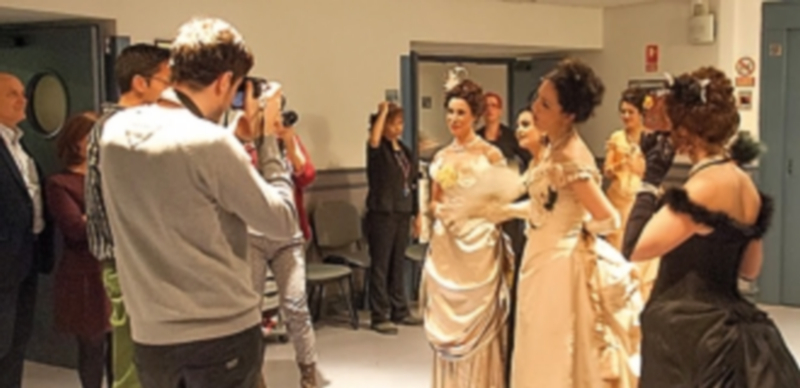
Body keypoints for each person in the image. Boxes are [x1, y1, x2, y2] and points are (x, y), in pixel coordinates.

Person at [98, 17, 298, 388]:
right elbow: (281, 220)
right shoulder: (211, 143)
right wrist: (267, 141)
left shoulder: (115, 132)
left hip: (151, 337)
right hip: (220, 335)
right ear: (224, 81)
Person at [623, 67, 800, 387]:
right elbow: (750, 269)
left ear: (684, 130)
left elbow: (634, 248)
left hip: (689, 329)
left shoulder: (703, 186)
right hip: (731, 323)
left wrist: (650, 181)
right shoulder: (745, 183)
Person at [469, 59, 642, 388]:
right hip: (538, 255)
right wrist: (504, 209)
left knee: (553, 349)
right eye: (537, 98)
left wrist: (579, 233)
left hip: (561, 265)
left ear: (569, 114)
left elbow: (609, 217)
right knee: (534, 341)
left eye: (545, 104)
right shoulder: (550, 148)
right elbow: (542, 207)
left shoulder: (571, 157)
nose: (535, 109)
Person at [85, 43, 171, 388]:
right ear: (140, 82)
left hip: (145, 260)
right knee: (132, 367)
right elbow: (109, 203)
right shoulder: (116, 130)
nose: (171, 90)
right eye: (166, 81)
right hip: (126, 261)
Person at [423, 79, 511, 388]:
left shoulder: (490, 155)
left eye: (461, 112)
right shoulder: (441, 156)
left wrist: (473, 215)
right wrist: (441, 211)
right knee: (448, 318)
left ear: (474, 115)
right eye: (450, 112)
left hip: (479, 244)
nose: (454, 119)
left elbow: (501, 203)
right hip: (448, 245)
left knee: (478, 316)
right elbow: (434, 200)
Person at [227, 98, 320, 387]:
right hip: (252, 235)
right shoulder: (240, 140)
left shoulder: (285, 140)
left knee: (295, 305)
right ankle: (254, 373)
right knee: (250, 310)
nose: (274, 118)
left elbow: (306, 175)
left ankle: (308, 370)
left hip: (288, 237)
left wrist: (288, 141)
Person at [47, 112, 111, 388]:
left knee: (120, 349)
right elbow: (75, 228)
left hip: (114, 268)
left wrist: (93, 217)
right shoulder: (60, 183)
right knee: (93, 349)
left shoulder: (107, 177)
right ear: (77, 143)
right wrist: (104, 218)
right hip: (85, 275)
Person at [0, 72, 55, 388]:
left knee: (16, 345)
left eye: (23, 93)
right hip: (4, 261)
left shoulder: (20, 145)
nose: (23, 100)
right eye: (12, 94)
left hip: (26, 260)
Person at [365, 101, 421, 335]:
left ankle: (400, 309)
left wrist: (416, 214)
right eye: (393, 123)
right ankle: (380, 314)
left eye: (400, 123)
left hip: (402, 211)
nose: (398, 128)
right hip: (382, 213)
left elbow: (413, 183)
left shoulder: (405, 151)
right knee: (381, 264)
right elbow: (374, 140)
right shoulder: (378, 150)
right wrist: (383, 112)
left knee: (398, 263)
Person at [477, 93, 530, 262]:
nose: (490, 109)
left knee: (510, 246)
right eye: (486, 106)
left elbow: (529, 161)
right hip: (483, 198)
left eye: (494, 105)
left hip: (508, 198)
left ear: (500, 110)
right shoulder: (476, 138)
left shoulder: (511, 137)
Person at [603, 87, 646, 250]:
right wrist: (621, 164)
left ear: (640, 113)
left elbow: (652, 172)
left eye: (631, 112)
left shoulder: (649, 138)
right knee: (616, 241)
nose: (626, 116)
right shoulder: (617, 137)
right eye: (623, 112)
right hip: (618, 196)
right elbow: (607, 171)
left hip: (639, 195)